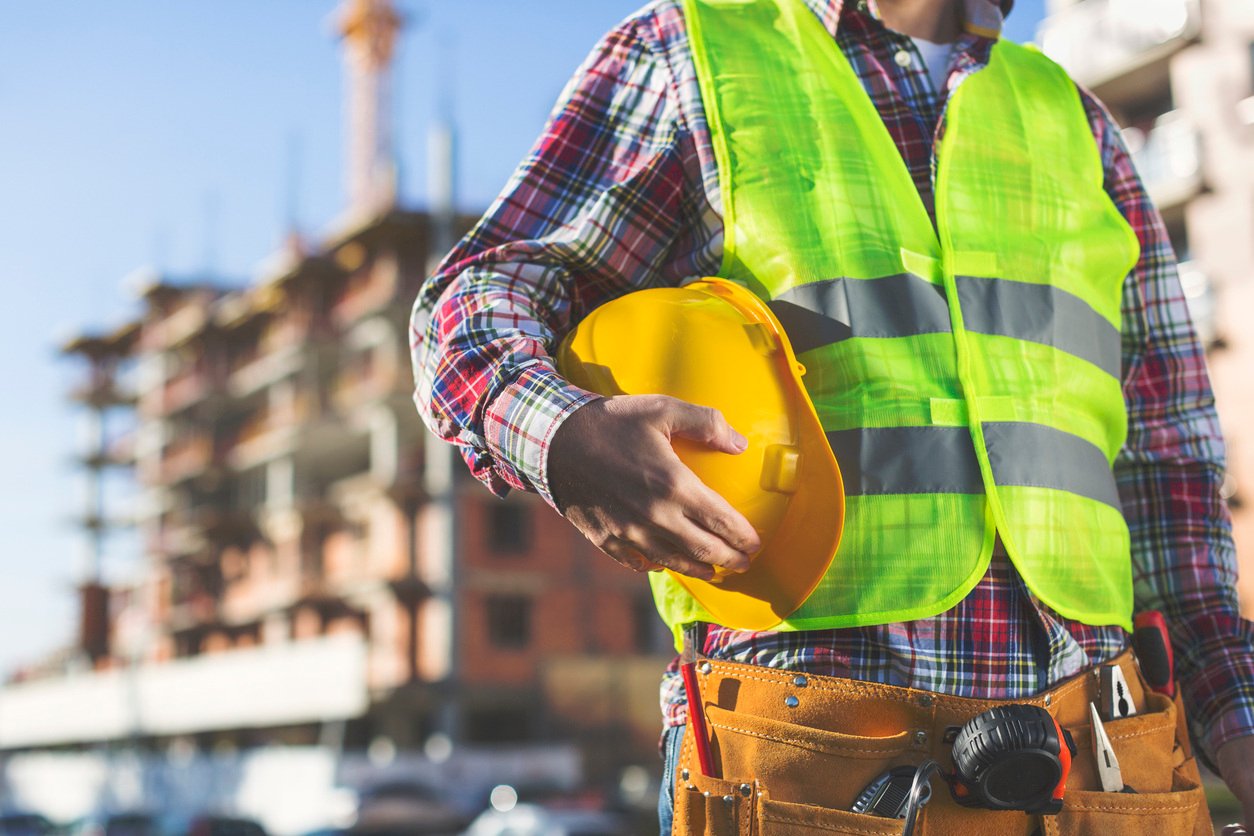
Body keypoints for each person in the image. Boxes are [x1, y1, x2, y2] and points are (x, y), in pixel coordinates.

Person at [410, 0, 1254, 831]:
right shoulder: (690, 56)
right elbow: (472, 300)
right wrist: (564, 436)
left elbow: (1167, 461)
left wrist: (1234, 712)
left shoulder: (1076, 120)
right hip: (810, 765)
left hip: (1104, 762)